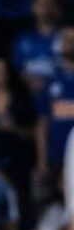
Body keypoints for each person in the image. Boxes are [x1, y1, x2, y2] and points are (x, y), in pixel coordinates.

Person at [36, 26, 74, 179]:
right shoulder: (51, 79)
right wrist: (41, 160)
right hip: (57, 153)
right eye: (66, 39)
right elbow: (42, 122)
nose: (69, 43)